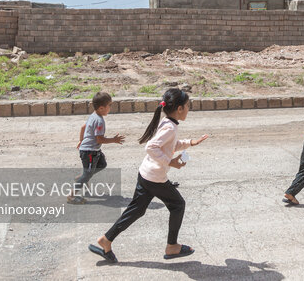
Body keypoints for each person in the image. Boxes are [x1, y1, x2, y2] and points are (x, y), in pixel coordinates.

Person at [89, 88, 209, 263]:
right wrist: (170, 162)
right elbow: (151, 147)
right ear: (180, 108)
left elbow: (169, 145)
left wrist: (190, 142)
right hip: (155, 177)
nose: (189, 109)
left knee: (136, 210)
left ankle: (105, 240)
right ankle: (172, 246)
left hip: (146, 173)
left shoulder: (168, 122)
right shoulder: (169, 127)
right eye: (188, 106)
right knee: (178, 205)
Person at [67, 92, 125, 204]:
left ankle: (81, 177)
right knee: (88, 173)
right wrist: (114, 140)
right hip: (89, 152)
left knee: (102, 164)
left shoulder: (93, 115)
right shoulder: (99, 121)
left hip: (93, 150)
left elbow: (83, 127)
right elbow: (100, 139)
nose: (110, 108)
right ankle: (71, 196)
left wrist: (81, 140)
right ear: (102, 108)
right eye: (110, 105)